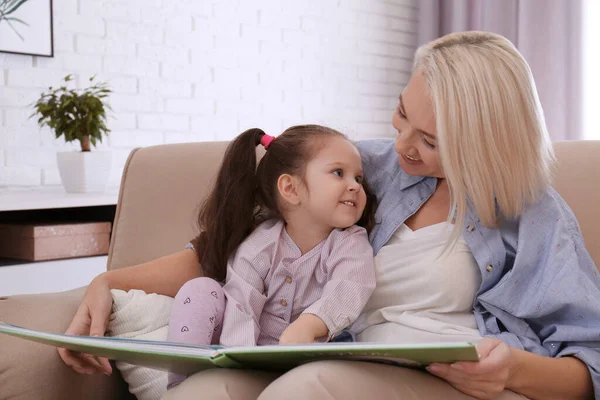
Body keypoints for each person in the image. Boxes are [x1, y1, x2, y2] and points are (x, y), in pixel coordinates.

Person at [58, 31, 600, 400]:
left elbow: (590, 364)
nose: (402, 144)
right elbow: (237, 250)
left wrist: (511, 369)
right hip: (332, 355)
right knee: (208, 391)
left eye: (431, 141)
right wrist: (109, 279)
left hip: (440, 382)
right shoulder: (366, 169)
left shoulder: (532, 213)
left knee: (306, 390)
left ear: (487, 141)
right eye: (402, 114)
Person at [164, 125, 377, 389]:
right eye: (338, 173)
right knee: (200, 289)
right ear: (290, 188)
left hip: (308, 362)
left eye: (358, 178)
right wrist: (240, 364)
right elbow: (241, 305)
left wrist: (310, 325)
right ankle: (183, 384)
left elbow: (350, 286)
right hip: (245, 357)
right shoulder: (261, 244)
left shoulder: (349, 242)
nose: (355, 186)